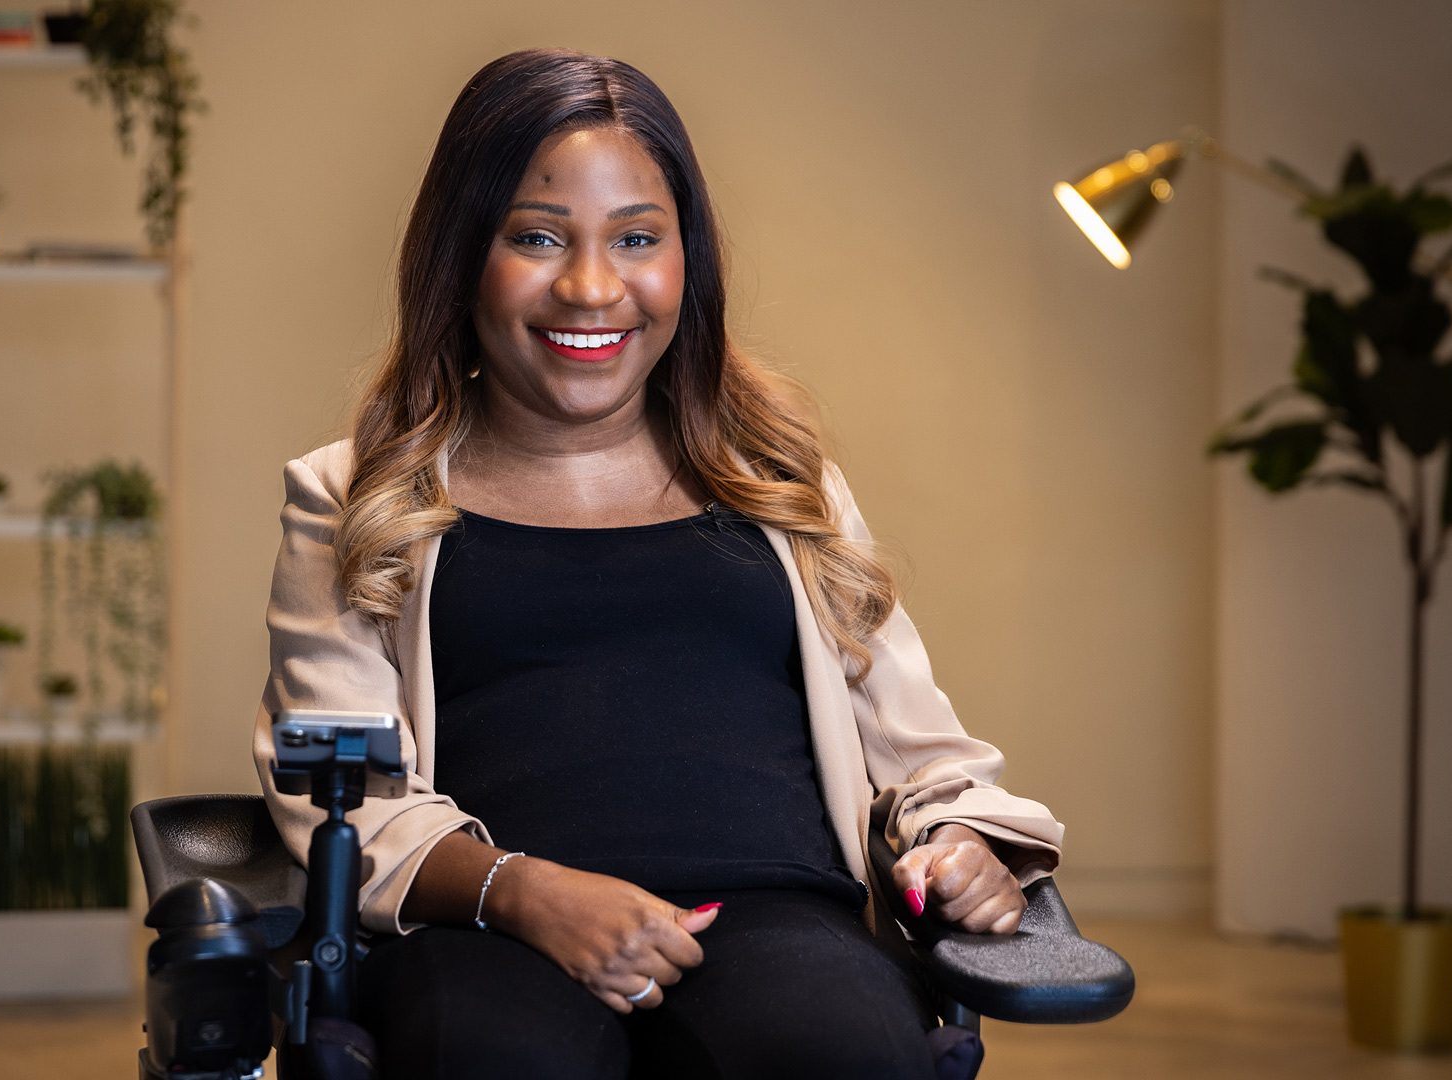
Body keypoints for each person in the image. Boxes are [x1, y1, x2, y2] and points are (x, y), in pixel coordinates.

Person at [256, 48, 1063, 1080]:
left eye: (637, 238)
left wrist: (962, 849)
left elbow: (921, 755)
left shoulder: (783, 481)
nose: (593, 287)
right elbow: (347, 803)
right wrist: (527, 892)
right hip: (486, 931)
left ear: (689, 261)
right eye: (538, 238)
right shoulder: (352, 498)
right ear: (462, 256)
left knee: (839, 1050)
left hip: (775, 921)